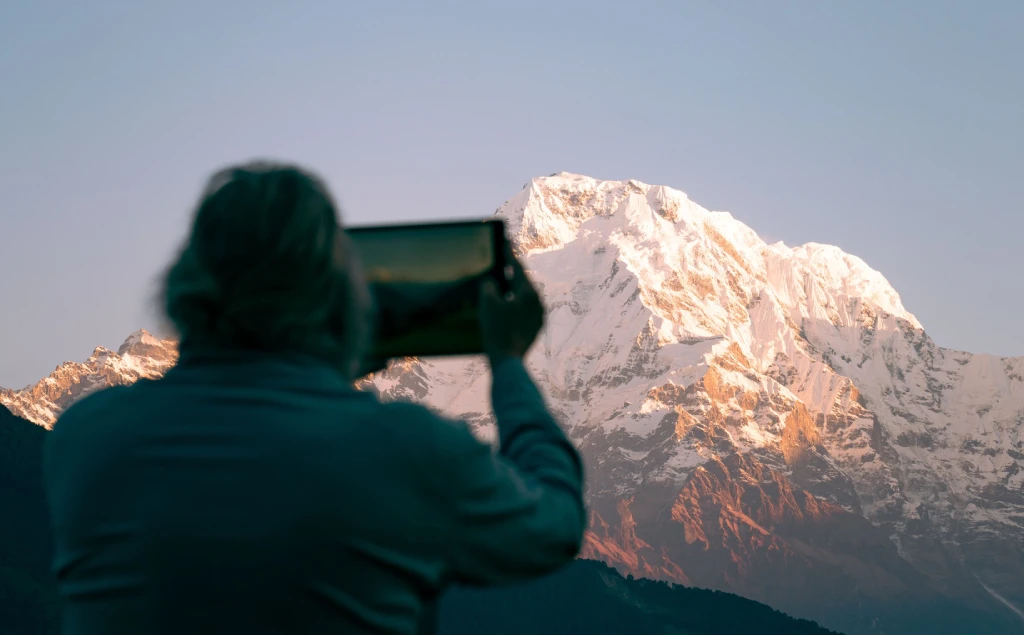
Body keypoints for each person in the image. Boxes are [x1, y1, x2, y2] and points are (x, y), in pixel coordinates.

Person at [42, 162, 586, 635]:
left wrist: (329, 362)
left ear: (183, 288)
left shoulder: (85, 438)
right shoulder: (406, 451)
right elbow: (556, 524)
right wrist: (508, 363)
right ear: (335, 299)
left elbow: (256, 439)